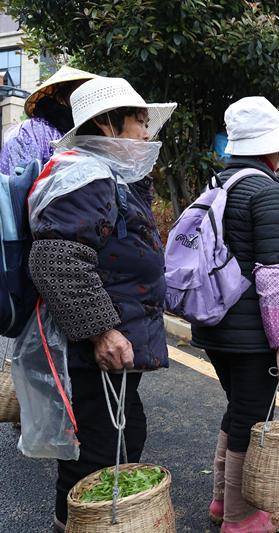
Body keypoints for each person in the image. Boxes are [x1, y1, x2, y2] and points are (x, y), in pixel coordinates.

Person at [26, 77, 176, 532]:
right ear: (109, 125)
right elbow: (55, 260)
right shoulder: (85, 177)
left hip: (110, 344)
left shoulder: (99, 175)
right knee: (98, 451)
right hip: (96, 349)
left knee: (117, 437)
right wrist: (102, 332)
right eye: (139, 122)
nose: (147, 134)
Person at [191, 97, 279, 533]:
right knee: (252, 415)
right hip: (249, 334)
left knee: (239, 409)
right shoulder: (267, 191)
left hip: (213, 323)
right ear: (272, 147)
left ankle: (223, 502)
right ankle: (242, 520)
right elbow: (275, 276)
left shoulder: (217, 184)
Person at [0, 66, 96, 174]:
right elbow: (17, 182)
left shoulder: (93, 132)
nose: (85, 99)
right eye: (79, 93)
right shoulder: (31, 131)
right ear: (61, 98)